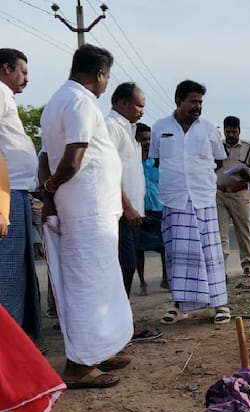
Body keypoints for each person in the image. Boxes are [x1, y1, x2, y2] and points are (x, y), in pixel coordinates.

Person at [39, 44, 133, 389]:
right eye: (107, 76)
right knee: (87, 286)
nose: (107, 83)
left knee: (102, 282)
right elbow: (72, 156)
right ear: (100, 74)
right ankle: (78, 367)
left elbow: (44, 156)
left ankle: (100, 350)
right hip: (87, 211)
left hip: (91, 211)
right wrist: (52, 186)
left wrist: (50, 190)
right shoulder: (79, 101)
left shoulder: (57, 102)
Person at [149, 80, 231, 325]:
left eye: (200, 102)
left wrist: (198, 174)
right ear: (178, 101)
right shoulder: (160, 127)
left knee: (209, 253)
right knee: (178, 254)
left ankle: (219, 305)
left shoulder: (208, 129)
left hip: (202, 198)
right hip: (174, 200)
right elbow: (156, 160)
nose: (197, 106)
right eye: (193, 101)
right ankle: (180, 305)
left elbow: (219, 161)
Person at [0, 48, 42, 340]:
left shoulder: (6, 97)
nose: (26, 78)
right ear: (6, 69)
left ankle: (21, 343)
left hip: (17, 192)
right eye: (22, 71)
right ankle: (10, 349)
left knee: (20, 273)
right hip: (6, 193)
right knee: (8, 274)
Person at [105, 82, 145, 297]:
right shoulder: (111, 127)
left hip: (133, 212)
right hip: (122, 212)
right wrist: (127, 207)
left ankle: (125, 321)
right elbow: (108, 172)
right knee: (125, 265)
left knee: (128, 266)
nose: (142, 111)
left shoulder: (128, 129)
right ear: (122, 103)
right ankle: (120, 324)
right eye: (139, 106)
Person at [215, 115, 250, 277]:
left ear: (239, 131)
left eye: (234, 132)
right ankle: (221, 267)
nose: (231, 135)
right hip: (219, 193)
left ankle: (247, 263)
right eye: (228, 132)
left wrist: (249, 174)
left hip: (240, 193)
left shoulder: (248, 147)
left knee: (243, 230)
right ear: (224, 130)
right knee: (220, 233)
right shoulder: (217, 146)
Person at [134, 123, 167, 296]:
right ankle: (142, 282)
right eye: (143, 139)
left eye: (149, 139)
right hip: (140, 210)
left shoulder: (157, 161)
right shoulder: (131, 161)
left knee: (164, 246)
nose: (147, 143)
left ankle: (165, 278)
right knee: (139, 248)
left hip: (159, 208)